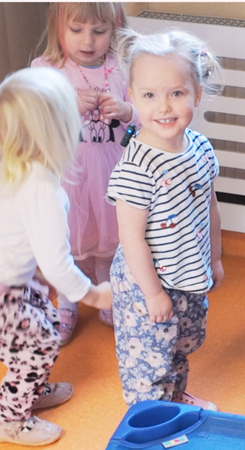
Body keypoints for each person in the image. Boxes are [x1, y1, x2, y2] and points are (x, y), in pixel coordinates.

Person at [106, 28, 224, 410]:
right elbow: (131, 237)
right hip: (147, 283)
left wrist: (216, 259)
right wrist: (153, 292)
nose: (164, 107)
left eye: (176, 93)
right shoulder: (137, 167)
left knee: (181, 344)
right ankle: (149, 418)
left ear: (197, 94)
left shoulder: (200, 148)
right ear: (132, 97)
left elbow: (210, 207)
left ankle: (173, 400)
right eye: (150, 95)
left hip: (187, 272)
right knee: (148, 362)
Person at [0, 67, 112, 446]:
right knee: (35, 346)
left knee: (44, 322)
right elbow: (57, 264)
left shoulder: (9, 164)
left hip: (15, 279)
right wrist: (94, 295)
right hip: (7, 288)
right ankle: (10, 418)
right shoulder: (42, 189)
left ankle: (31, 387)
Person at [31, 2, 137, 345]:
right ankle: (67, 304)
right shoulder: (47, 70)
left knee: (110, 236)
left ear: (115, 28)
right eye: (76, 30)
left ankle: (108, 294)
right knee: (68, 238)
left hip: (112, 173)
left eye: (99, 31)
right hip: (68, 175)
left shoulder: (122, 69)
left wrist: (125, 110)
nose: (87, 41)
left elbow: (144, 113)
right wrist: (67, 107)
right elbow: (33, 123)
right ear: (58, 27)